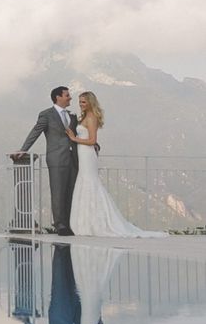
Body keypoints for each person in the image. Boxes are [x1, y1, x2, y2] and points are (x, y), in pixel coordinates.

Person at [65, 92, 167, 238]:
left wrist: (74, 139)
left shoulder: (92, 117)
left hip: (87, 154)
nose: (81, 104)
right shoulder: (85, 116)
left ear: (90, 103)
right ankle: (86, 222)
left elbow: (92, 140)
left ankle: (97, 223)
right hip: (82, 154)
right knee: (84, 182)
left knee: (90, 183)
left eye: (84, 102)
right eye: (80, 102)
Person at [15, 86, 79, 236]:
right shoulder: (46, 115)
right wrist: (24, 149)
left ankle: (70, 224)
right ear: (58, 97)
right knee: (58, 192)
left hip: (73, 158)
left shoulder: (73, 116)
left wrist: (94, 144)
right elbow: (35, 132)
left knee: (71, 192)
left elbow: (78, 135)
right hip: (56, 158)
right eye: (67, 95)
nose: (70, 98)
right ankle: (60, 225)